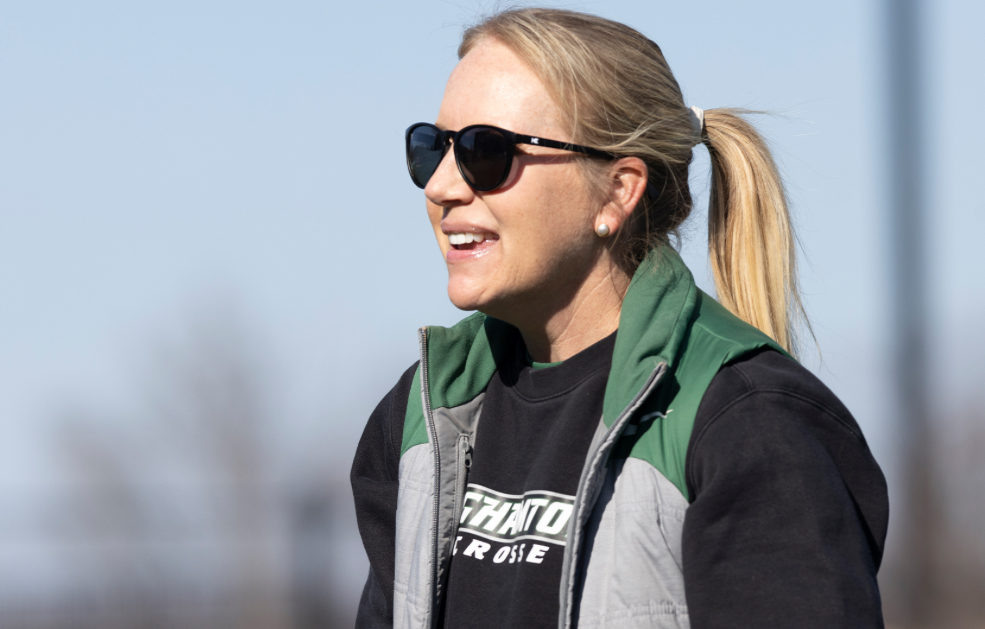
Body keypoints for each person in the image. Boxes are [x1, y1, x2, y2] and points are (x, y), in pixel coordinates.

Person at [351, 8, 888, 629]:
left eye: (485, 151)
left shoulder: (750, 425)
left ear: (617, 191)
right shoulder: (420, 414)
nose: (441, 186)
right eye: (432, 147)